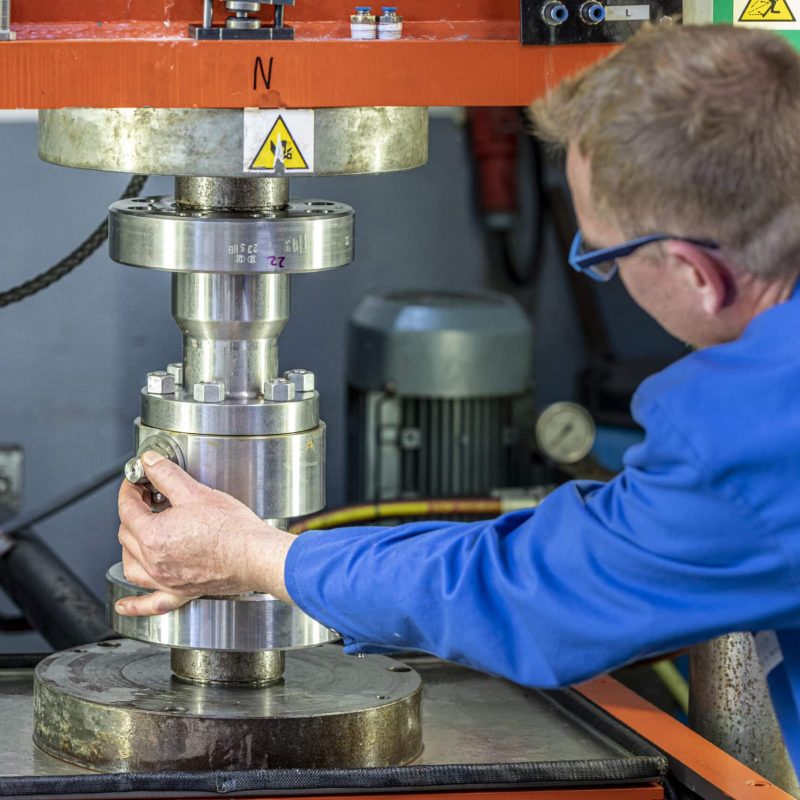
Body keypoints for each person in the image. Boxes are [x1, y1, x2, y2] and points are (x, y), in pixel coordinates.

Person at [116, 24, 800, 771]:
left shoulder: (753, 427)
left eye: (602, 257)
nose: (605, 273)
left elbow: (537, 598)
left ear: (698, 273)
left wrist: (252, 555)